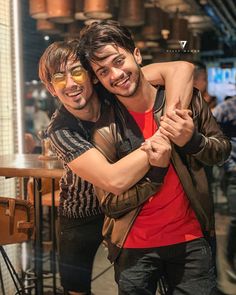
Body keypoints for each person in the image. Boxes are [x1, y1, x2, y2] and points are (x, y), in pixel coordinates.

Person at [78, 20, 231, 295]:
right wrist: (155, 174)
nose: (115, 74)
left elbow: (221, 150)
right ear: (98, 80)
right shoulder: (104, 128)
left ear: (136, 55)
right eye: (103, 71)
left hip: (191, 240)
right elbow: (111, 205)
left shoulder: (187, 99)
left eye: (118, 60)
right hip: (134, 247)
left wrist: (192, 141)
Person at [38, 39, 195, 295]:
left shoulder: (112, 89)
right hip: (82, 212)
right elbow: (113, 180)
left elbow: (182, 68)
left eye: (77, 72)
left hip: (131, 203)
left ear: (91, 76)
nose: (71, 84)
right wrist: (165, 136)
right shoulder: (60, 130)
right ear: (50, 88)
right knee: (75, 288)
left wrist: (169, 121)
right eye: (58, 78)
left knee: (145, 278)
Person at [213, 96, 236, 282]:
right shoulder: (226, 109)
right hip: (234, 174)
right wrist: (227, 164)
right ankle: (230, 262)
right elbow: (214, 138)